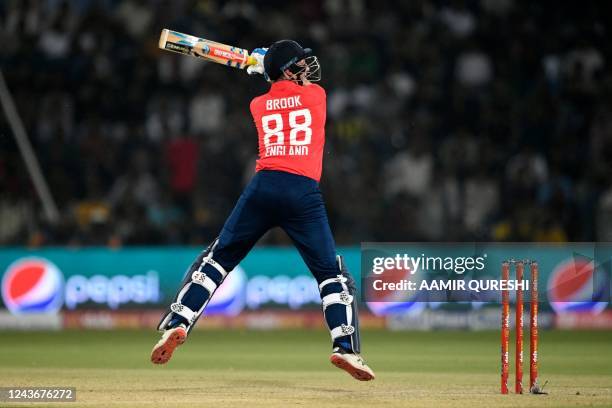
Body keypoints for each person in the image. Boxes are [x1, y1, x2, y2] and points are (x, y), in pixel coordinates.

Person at [150, 40, 375, 381]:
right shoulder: (317, 97)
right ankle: (346, 348)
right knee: (332, 274)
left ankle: (178, 322)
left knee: (216, 259)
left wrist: (269, 71)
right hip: (302, 193)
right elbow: (301, 90)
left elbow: (280, 93)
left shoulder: (258, 104)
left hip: (263, 187)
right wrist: (266, 64)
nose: (307, 69)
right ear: (287, 70)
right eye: (300, 65)